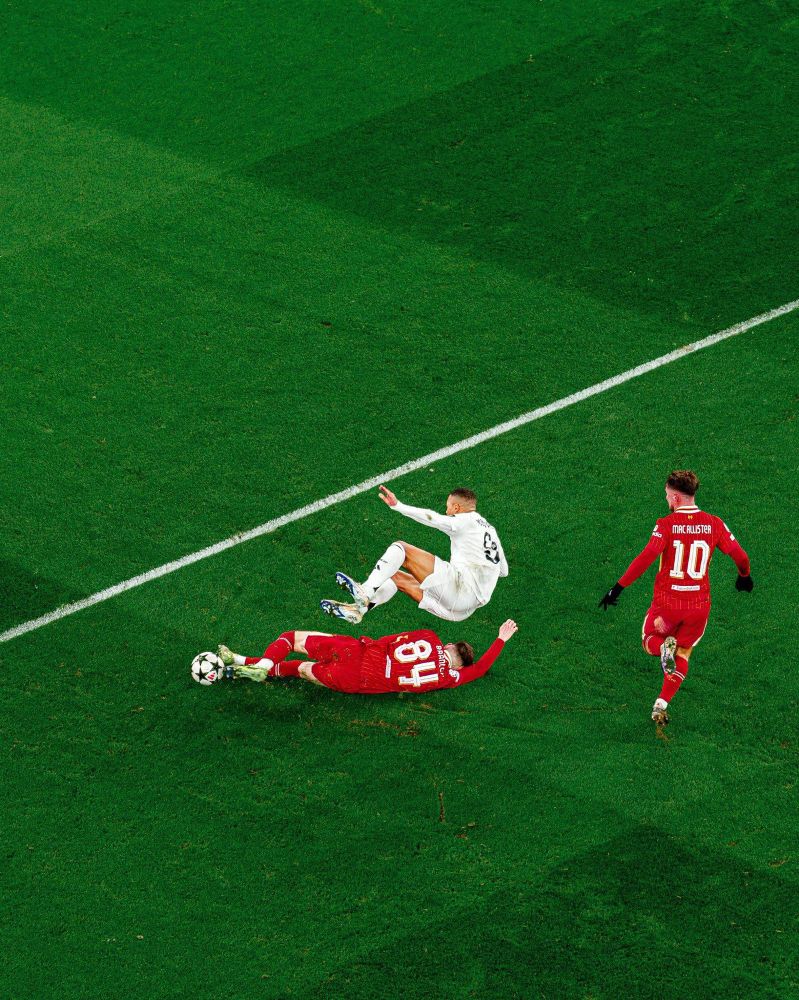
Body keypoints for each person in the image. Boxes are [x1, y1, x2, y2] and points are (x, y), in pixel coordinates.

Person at [599, 470, 753, 726]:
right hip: (698, 607)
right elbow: (741, 557)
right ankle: (661, 704)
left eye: (668, 497)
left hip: (667, 605)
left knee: (650, 639)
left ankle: (662, 649)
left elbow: (647, 556)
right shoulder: (715, 523)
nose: (667, 502)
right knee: (684, 650)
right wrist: (744, 576)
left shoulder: (666, 524)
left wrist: (617, 588)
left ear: (676, 497)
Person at [320, 485, 508, 625]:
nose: (447, 511)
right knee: (392, 574)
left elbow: (433, 519)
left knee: (401, 549)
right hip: (464, 611)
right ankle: (359, 609)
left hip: (459, 590)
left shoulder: (464, 520)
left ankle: (366, 591)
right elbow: (503, 571)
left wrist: (398, 506)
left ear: (457, 508)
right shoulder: (490, 530)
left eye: (449, 507)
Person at [216, 619, 518, 694]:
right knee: (302, 669)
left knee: (292, 638)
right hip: (359, 681)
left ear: (449, 645)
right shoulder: (447, 677)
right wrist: (501, 639)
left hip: (358, 651)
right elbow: (479, 670)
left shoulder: (430, 636)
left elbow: (390, 641)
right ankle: (240, 665)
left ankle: (258, 663)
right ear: (459, 663)